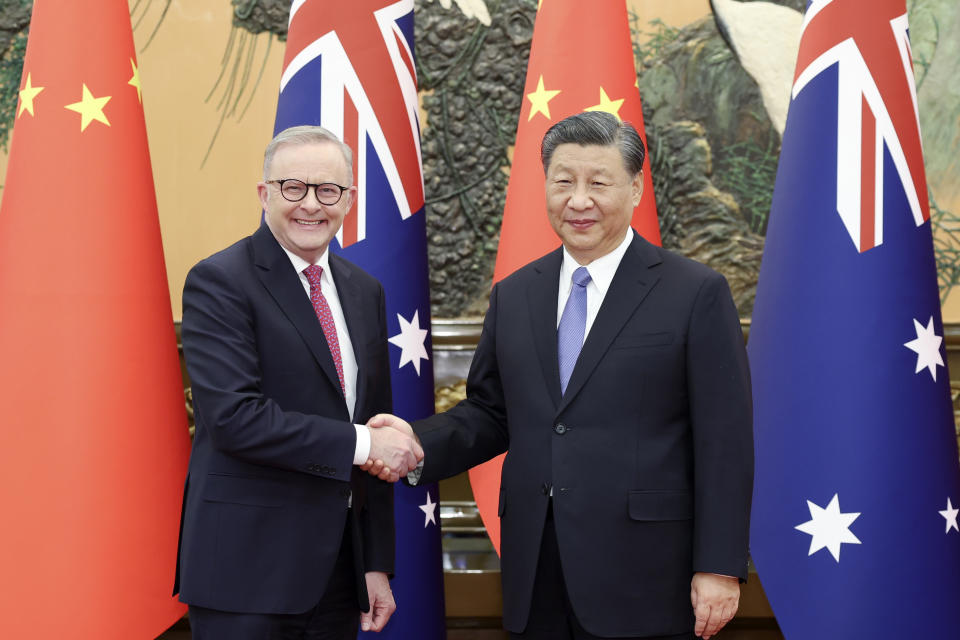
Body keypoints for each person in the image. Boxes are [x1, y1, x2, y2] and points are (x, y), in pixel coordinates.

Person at [367, 111, 754, 640]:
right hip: (537, 570)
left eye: (599, 183)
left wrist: (719, 566)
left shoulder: (694, 293)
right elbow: (492, 412)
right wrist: (416, 440)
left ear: (636, 187)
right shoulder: (516, 293)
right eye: (564, 181)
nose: (579, 200)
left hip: (648, 575)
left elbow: (724, 441)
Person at [174, 125, 422, 639]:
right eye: (293, 188)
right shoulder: (219, 282)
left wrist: (372, 564)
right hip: (246, 572)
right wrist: (365, 442)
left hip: (336, 574)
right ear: (265, 194)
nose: (311, 204)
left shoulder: (364, 291)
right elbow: (236, 420)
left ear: (349, 200)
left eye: (328, 190)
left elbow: (373, 423)